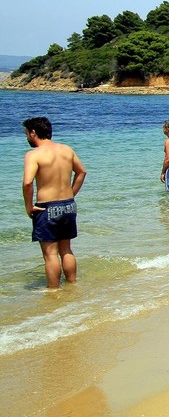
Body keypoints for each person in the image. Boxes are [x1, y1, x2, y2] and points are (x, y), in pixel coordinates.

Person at [22, 117, 87, 289]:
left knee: (50, 255)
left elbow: (28, 183)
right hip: (68, 205)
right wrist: (71, 194)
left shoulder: (33, 155)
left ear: (33, 132)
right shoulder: (66, 149)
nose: (27, 137)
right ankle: (72, 284)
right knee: (66, 250)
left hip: (47, 207)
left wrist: (28, 206)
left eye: (26, 133)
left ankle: (54, 292)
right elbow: (81, 172)